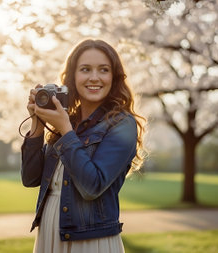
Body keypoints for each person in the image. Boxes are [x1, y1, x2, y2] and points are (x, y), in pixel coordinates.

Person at [20, 38, 146, 253]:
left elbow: (92, 186)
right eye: (85, 69)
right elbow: (30, 178)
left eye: (103, 70)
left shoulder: (121, 124)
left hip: (89, 241)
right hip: (49, 235)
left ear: (113, 77)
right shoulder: (69, 120)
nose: (94, 78)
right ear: (73, 76)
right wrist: (38, 125)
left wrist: (65, 130)